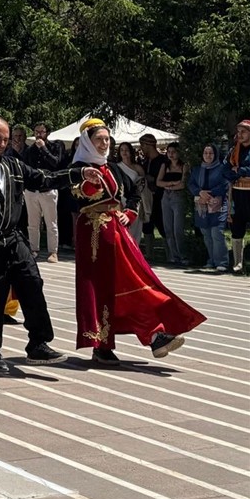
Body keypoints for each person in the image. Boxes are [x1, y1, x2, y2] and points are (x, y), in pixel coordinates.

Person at [0, 117, 97, 375]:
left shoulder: (13, 165)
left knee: (32, 283)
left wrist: (77, 173)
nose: (2, 144)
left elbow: (44, 178)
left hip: (13, 238)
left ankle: (38, 343)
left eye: (6, 139)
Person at [69, 118, 205, 364]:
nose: (104, 143)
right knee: (102, 287)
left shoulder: (112, 167)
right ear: (88, 141)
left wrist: (129, 213)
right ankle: (104, 344)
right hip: (92, 236)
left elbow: (133, 192)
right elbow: (75, 198)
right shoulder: (77, 167)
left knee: (135, 279)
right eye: (99, 139)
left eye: (107, 139)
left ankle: (154, 333)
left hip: (115, 232)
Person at [23, 124, 63, 262]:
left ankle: (53, 251)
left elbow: (56, 163)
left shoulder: (55, 146)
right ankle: (34, 249)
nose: (39, 134)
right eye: (36, 131)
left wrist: (43, 148)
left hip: (48, 190)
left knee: (51, 223)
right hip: (32, 190)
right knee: (33, 223)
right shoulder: (29, 150)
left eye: (42, 132)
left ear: (47, 133)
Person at [188, 145, 229, 272]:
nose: (208, 155)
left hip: (218, 205)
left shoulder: (222, 169)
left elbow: (225, 184)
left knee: (217, 233)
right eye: (205, 153)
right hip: (202, 206)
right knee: (206, 234)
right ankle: (211, 260)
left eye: (211, 153)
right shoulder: (196, 170)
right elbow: (191, 184)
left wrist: (209, 193)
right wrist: (200, 192)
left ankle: (222, 262)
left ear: (215, 155)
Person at [218, 120, 250, 273]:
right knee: (236, 226)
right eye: (238, 132)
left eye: (243, 131)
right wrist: (237, 172)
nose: (240, 134)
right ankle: (238, 263)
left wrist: (240, 170)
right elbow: (225, 169)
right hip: (237, 193)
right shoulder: (233, 151)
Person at [157, 143, 190, 266]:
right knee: (168, 228)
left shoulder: (184, 166)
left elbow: (182, 184)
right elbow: (158, 182)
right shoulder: (165, 166)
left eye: (174, 151)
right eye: (169, 151)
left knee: (178, 229)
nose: (171, 154)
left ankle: (183, 255)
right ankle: (173, 255)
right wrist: (171, 183)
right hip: (166, 197)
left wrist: (168, 184)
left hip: (178, 197)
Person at [115, 142, 147, 249]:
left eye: (126, 150)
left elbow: (144, 184)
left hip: (135, 200)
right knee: (124, 226)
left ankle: (134, 248)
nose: (124, 152)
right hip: (122, 199)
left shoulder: (137, 168)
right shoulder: (117, 167)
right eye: (122, 150)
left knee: (136, 227)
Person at [141, 134, 168, 259]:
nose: (141, 148)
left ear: (148, 145)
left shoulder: (163, 160)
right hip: (147, 199)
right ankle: (149, 254)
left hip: (160, 198)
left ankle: (170, 254)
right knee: (147, 225)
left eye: (143, 145)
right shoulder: (145, 162)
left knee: (162, 226)